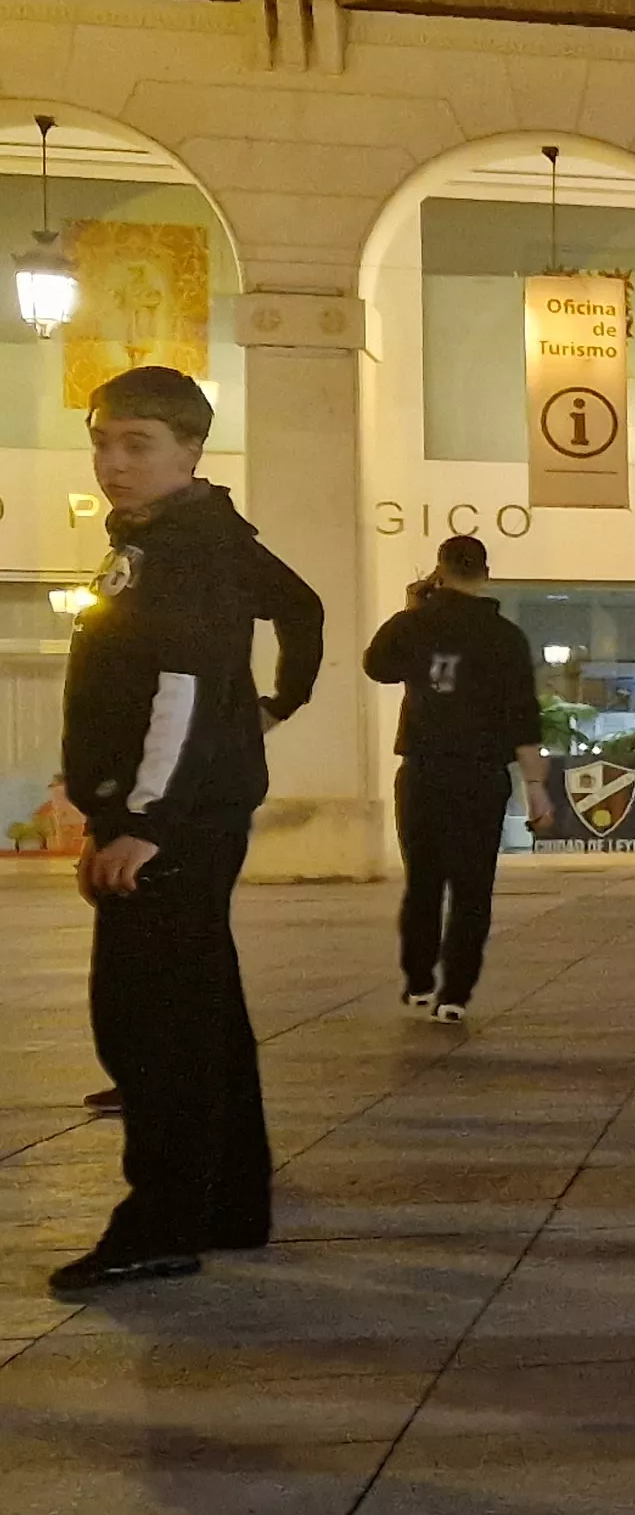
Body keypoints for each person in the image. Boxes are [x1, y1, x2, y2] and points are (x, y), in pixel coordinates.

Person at [53, 365, 324, 1295]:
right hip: (184, 809)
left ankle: (162, 1221)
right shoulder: (185, 537)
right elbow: (296, 611)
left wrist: (143, 821)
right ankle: (226, 1200)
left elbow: (184, 688)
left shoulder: (187, 549)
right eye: (103, 443)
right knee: (201, 1010)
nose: (113, 464)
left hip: (175, 818)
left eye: (138, 445)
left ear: (191, 450)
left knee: (150, 1023)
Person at [360, 535, 554, 1022]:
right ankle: (455, 994)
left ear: (440, 570)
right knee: (472, 887)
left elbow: (377, 666)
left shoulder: (414, 624)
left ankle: (419, 979)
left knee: (423, 881)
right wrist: (535, 788)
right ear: (485, 573)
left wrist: (412, 609)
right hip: (481, 776)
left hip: (423, 770)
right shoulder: (505, 638)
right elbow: (523, 717)